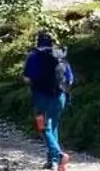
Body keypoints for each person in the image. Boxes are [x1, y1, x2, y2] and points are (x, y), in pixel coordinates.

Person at [23, 31, 75, 170]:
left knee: (43, 127)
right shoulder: (60, 56)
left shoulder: (33, 56)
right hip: (59, 98)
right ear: (51, 42)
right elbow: (70, 79)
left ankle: (59, 156)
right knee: (53, 127)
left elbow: (27, 78)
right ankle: (53, 162)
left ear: (37, 42)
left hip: (41, 97)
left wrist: (34, 84)